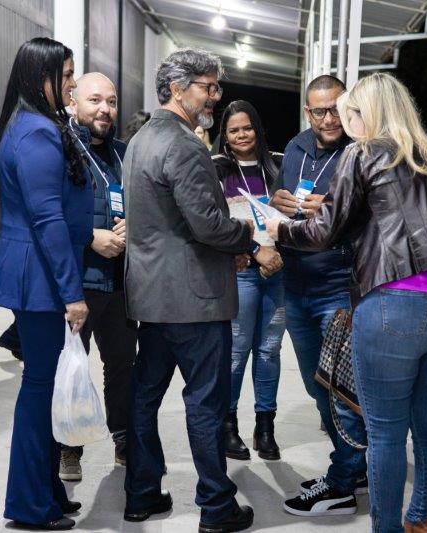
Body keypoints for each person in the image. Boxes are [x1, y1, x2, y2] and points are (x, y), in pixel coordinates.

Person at [267, 72, 427, 533]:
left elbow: (323, 232)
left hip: (394, 306)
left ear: (364, 113)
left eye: (348, 113)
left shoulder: (361, 154)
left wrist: (277, 228)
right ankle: (422, 520)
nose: (344, 122)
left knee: (385, 432)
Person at [122, 49, 255, 533]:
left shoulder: (140, 140)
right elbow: (208, 225)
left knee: (145, 397)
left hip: (152, 297)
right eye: (208, 86)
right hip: (195, 300)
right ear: (177, 89)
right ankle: (216, 507)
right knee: (205, 403)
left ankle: (141, 494)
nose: (215, 96)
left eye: (216, 86)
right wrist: (248, 237)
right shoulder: (184, 144)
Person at [0, 37, 87, 531]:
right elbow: (47, 218)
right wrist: (72, 292)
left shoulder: (28, 125)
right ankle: (30, 504)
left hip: (36, 272)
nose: (72, 84)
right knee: (40, 389)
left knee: (43, 388)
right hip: (41, 278)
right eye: (65, 76)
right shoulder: (36, 132)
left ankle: (46, 492)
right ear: (39, 77)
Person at [269, 74, 368, 517]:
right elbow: (284, 201)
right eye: (319, 111)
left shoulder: (361, 150)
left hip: (339, 285)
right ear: (307, 111)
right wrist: (278, 202)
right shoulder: (295, 147)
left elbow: (378, 217)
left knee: (342, 391)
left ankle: (342, 484)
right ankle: (353, 466)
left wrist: (334, 209)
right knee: (317, 386)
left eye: (335, 109)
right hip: (296, 284)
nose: (328, 119)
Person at [57, 72, 138, 481]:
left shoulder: (125, 153)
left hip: (122, 282)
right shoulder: (61, 149)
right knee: (73, 366)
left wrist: (133, 226)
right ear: (74, 102)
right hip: (78, 281)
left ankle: (124, 441)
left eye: (111, 101)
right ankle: (68, 448)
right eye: (95, 100)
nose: (105, 109)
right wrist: (92, 237)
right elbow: (48, 214)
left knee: (122, 366)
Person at [212, 100, 285, 462]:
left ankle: (265, 426)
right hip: (240, 270)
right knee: (237, 351)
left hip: (278, 272)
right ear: (224, 135)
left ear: (257, 128)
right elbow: (216, 223)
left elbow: (293, 216)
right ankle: (228, 426)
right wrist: (256, 250)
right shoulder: (216, 168)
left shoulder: (279, 166)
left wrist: (279, 253)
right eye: (233, 130)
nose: (241, 135)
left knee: (270, 350)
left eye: (247, 127)